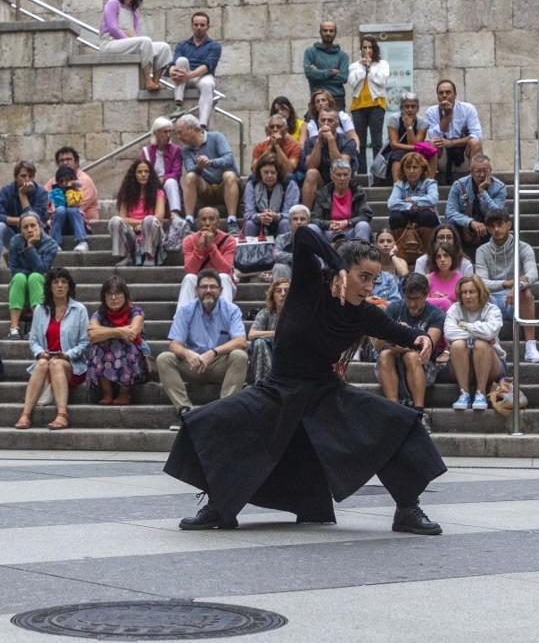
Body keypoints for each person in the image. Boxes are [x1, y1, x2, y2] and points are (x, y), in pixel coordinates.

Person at [164, 228, 447, 534]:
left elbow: (395, 330)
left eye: (374, 280)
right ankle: (219, 507)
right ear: (343, 271)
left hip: (325, 394)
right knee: (206, 422)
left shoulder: (363, 313)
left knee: (399, 422)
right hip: (278, 389)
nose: (369, 287)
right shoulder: (309, 287)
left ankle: (407, 508)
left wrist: (418, 338)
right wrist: (334, 262)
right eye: (363, 277)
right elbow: (302, 235)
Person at [157, 269, 249, 426]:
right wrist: (187, 353)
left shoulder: (231, 310)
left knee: (240, 356)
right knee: (164, 358)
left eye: (213, 287)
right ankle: (185, 411)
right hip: (194, 364)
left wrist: (214, 352)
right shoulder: (186, 311)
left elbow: (240, 340)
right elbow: (174, 344)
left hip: (220, 364)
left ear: (220, 290)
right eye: (204, 287)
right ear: (196, 290)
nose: (208, 291)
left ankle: (224, 410)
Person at [15, 268, 90, 430]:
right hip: (46, 360)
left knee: (56, 364)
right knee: (42, 363)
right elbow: (33, 340)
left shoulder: (80, 310)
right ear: (50, 286)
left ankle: (62, 415)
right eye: (56, 282)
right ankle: (25, 414)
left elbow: (85, 342)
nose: (60, 286)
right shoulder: (40, 310)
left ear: (69, 286)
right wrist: (40, 352)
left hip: (72, 365)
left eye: (64, 282)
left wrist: (67, 355)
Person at [475, 209, 539, 364]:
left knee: (526, 292)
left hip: (517, 297)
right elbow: (481, 281)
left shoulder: (523, 247)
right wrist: (506, 283)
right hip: (492, 298)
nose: (496, 230)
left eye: (500, 225)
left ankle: (530, 347)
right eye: (492, 226)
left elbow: (533, 274)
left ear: (509, 225)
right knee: (480, 293)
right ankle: (493, 345)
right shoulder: (482, 251)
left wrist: (516, 287)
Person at [379, 274, 445, 431]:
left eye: (416, 299)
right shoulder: (394, 308)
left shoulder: (436, 314)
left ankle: (419, 412)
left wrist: (398, 338)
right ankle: (394, 411)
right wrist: (400, 336)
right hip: (392, 363)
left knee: (412, 355)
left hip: (424, 365)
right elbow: (378, 343)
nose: (411, 303)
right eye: (408, 298)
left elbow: (427, 348)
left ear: (426, 295)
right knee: (384, 355)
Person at [100, 0, 173, 91]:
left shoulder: (134, 10)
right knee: (145, 41)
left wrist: (133, 41)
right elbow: (112, 28)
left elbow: (136, 33)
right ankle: (147, 81)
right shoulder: (113, 3)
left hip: (126, 44)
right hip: (110, 43)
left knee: (164, 47)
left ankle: (155, 81)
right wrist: (130, 40)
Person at [444, 274, 504, 412]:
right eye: (464, 292)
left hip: (491, 365)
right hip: (461, 365)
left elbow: (490, 332)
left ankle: (480, 393)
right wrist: (479, 334)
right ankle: (464, 393)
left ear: (480, 292)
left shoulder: (492, 309)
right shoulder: (455, 309)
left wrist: (466, 325)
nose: (468, 296)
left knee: (481, 345)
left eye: (472, 292)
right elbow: (449, 333)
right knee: (458, 344)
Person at [0, 160, 48, 284]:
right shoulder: (6, 191)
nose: (27, 180)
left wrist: (22, 195)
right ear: (15, 177)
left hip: (35, 239)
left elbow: (35, 220)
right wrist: (20, 221)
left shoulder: (41, 193)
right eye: (23, 176)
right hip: (14, 237)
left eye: (30, 176)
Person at [87, 276, 147, 406]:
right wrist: (119, 332)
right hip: (106, 355)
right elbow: (92, 334)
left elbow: (132, 333)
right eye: (110, 294)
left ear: (125, 295)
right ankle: (107, 393)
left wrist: (103, 332)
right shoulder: (99, 313)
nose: (114, 298)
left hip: (132, 356)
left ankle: (124, 392)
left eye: (118, 294)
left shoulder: (136, 311)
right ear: (104, 297)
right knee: (99, 346)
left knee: (125, 345)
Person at [177, 114, 241, 231]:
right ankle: (189, 220)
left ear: (191, 129)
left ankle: (232, 221)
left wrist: (210, 162)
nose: (178, 136)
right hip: (206, 188)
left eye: (180, 132)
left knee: (229, 175)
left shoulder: (216, 137)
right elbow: (190, 169)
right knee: (190, 176)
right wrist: (200, 166)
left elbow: (229, 159)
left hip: (224, 184)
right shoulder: (185, 150)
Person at [6, 211, 60, 340]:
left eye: (33, 225)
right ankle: (14, 328)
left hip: (39, 287)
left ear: (40, 226)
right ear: (21, 230)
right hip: (20, 286)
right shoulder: (15, 241)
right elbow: (13, 269)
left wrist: (30, 247)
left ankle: (36, 327)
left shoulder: (51, 244)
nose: (30, 230)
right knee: (19, 277)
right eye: (25, 227)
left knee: (34, 277)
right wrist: (25, 277)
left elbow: (42, 269)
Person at [109, 158, 168, 266]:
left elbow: (159, 217)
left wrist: (144, 224)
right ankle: (125, 256)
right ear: (134, 175)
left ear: (150, 174)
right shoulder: (126, 193)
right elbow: (122, 218)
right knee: (115, 221)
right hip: (133, 233)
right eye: (140, 172)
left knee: (150, 220)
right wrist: (140, 223)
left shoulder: (158, 192)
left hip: (152, 233)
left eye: (146, 171)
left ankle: (149, 256)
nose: (143, 174)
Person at [346, 35, 391, 172]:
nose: (367, 50)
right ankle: (362, 173)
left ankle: (378, 172)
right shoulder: (354, 66)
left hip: (376, 105)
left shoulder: (382, 64)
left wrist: (370, 68)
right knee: (361, 141)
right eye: (364, 47)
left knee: (377, 140)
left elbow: (381, 81)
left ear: (374, 48)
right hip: (358, 106)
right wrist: (362, 67)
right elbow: (352, 82)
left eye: (370, 47)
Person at [424, 79, 483, 183]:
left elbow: (477, 134)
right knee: (431, 144)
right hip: (443, 157)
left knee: (476, 142)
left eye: (448, 92)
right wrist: (447, 116)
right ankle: (430, 186)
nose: (444, 95)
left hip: (465, 155)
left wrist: (452, 143)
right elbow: (433, 136)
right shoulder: (431, 112)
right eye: (441, 93)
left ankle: (475, 184)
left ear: (455, 95)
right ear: (437, 96)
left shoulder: (468, 108)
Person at [168, 11, 221, 126]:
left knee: (208, 84)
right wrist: (172, 71)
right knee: (182, 61)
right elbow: (174, 62)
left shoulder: (214, 46)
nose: (199, 28)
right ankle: (178, 105)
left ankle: (202, 124)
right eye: (196, 25)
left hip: (203, 76)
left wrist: (189, 75)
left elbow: (207, 65)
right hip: (184, 75)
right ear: (192, 26)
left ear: (207, 27)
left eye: (202, 25)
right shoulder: (182, 45)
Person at [445, 153, 506, 251]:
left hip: (488, 226)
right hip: (465, 227)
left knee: (502, 224)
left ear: (491, 171)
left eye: (485, 171)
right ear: (471, 171)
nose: (482, 175)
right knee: (450, 224)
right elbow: (450, 212)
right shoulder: (458, 185)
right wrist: (470, 222)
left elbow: (498, 214)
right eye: (478, 171)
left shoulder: (499, 187)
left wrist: (482, 192)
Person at [301, 107, 360, 207]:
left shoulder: (348, 142)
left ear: (337, 124)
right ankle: (306, 213)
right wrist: (319, 142)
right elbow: (311, 166)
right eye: (323, 120)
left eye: (330, 120)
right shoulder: (310, 141)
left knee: (341, 173)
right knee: (311, 173)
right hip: (321, 181)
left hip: (342, 181)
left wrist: (331, 141)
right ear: (318, 122)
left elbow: (341, 167)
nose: (326, 123)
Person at [178, 207, 237, 304]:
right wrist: (199, 248)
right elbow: (189, 270)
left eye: (211, 219)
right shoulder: (189, 240)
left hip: (221, 285)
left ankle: (225, 317)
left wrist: (211, 247)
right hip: (200, 285)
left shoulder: (229, 240)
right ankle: (181, 318)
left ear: (218, 223)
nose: (207, 223)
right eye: (203, 219)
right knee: (189, 278)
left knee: (224, 277)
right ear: (198, 223)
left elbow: (226, 269)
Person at [311, 158, 373, 243]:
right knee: (312, 228)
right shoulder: (323, 193)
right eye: (338, 175)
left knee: (363, 225)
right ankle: (316, 257)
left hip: (350, 231)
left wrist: (348, 222)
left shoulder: (358, 192)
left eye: (345, 174)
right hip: (329, 232)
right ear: (332, 176)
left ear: (350, 175)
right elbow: (314, 218)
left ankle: (360, 254)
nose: (342, 178)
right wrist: (329, 224)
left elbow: (366, 214)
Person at [387, 152, 440, 243]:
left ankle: (428, 250)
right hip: (407, 219)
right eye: (408, 167)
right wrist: (410, 206)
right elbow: (391, 203)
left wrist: (412, 199)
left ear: (422, 169)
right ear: (403, 170)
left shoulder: (430, 183)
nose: (411, 171)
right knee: (395, 216)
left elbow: (433, 199)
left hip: (426, 221)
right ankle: (400, 249)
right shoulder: (399, 184)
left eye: (415, 167)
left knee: (426, 215)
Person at [244, 153, 299, 239]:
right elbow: (249, 213)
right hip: (259, 221)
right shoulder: (252, 183)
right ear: (260, 172)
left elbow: (292, 213)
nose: (269, 176)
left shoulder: (289, 183)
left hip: (280, 220)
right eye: (266, 172)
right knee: (249, 224)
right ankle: (249, 251)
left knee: (285, 223)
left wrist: (276, 216)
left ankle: (284, 250)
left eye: (273, 172)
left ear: (278, 173)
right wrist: (259, 217)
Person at [247, 277, 289, 384]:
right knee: (259, 343)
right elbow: (251, 334)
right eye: (278, 291)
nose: (283, 294)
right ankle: (264, 384)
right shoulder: (266, 313)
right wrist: (277, 333)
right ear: (273, 296)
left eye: (287, 290)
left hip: (289, 355)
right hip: (267, 353)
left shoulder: (298, 314)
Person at [141, 116, 184, 218]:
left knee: (171, 182)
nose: (168, 135)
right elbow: (141, 170)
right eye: (165, 132)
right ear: (156, 133)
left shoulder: (175, 150)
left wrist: (163, 179)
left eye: (170, 132)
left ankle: (175, 214)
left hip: (168, 183)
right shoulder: (146, 151)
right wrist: (155, 180)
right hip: (150, 182)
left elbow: (176, 173)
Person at [45, 146, 101, 222]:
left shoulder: (84, 181)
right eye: (61, 160)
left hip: (83, 223)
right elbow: (44, 198)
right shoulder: (54, 181)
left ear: (76, 162)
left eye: (68, 159)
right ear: (58, 164)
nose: (65, 163)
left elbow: (78, 206)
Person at [303, 20, 350, 108]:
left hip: (337, 99)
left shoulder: (343, 56)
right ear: (320, 32)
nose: (328, 33)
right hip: (318, 98)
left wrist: (317, 74)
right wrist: (330, 72)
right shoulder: (311, 52)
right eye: (325, 30)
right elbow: (309, 73)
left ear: (335, 33)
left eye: (331, 31)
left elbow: (343, 78)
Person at [384, 92, 430, 183]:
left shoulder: (422, 122)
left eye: (413, 107)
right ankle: (397, 186)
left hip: (415, 151)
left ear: (418, 108)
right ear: (401, 108)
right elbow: (394, 144)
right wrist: (414, 147)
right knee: (397, 154)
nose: (410, 109)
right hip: (395, 151)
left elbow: (414, 145)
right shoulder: (393, 119)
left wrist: (409, 126)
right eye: (407, 106)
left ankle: (426, 184)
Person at [48, 164, 90, 252]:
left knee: (72, 209)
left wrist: (73, 186)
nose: (64, 183)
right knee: (60, 210)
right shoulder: (54, 193)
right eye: (61, 181)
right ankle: (55, 242)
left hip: (75, 225)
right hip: (60, 225)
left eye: (67, 180)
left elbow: (79, 204)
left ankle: (82, 241)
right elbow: (51, 207)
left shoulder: (77, 191)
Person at [270, 204, 311, 281]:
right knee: (279, 267)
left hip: (308, 271)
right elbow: (276, 255)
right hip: (288, 270)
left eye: (302, 219)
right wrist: (299, 257)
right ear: (289, 222)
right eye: (295, 219)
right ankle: (283, 292)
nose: (299, 222)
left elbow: (320, 260)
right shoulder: (282, 238)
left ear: (308, 222)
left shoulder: (315, 239)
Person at [424, 243, 463, 313]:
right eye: (438, 257)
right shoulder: (428, 279)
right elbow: (422, 302)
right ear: (435, 260)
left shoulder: (461, 281)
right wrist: (443, 301)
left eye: (446, 255)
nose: (442, 260)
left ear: (452, 257)